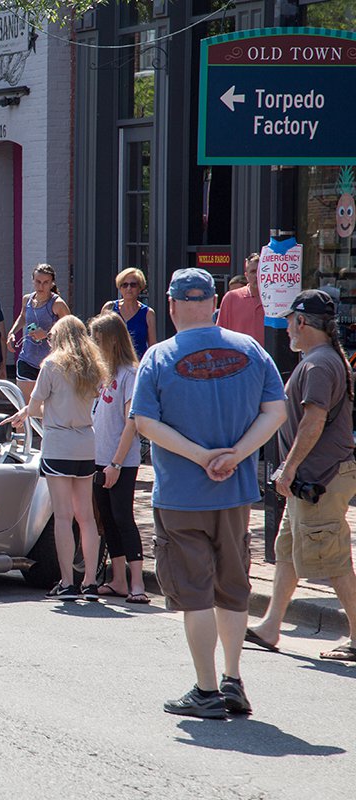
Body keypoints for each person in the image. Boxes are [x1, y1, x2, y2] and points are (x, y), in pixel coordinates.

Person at [132, 267, 285, 719]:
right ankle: (233, 680)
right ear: (215, 304)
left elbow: (144, 422)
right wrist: (234, 454)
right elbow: (274, 412)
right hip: (235, 493)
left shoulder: (158, 357)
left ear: (172, 306)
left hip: (182, 494)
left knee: (195, 592)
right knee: (233, 588)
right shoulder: (251, 350)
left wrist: (201, 457)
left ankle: (205, 690)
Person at [246, 290, 356, 662]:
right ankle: (271, 625)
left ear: (302, 321)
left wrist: (288, 468)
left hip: (319, 480)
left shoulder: (319, 365)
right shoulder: (321, 360)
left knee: (333, 558)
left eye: (290, 320)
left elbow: (313, 421)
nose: (287, 327)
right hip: (312, 481)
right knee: (288, 552)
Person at [4, 315, 106, 601]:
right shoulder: (92, 366)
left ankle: (67, 581)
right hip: (86, 440)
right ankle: (90, 580)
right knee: (86, 516)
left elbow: (35, 407)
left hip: (59, 442)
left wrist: (35, 410)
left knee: (63, 516)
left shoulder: (51, 364)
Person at [88, 313, 147, 603]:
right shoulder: (103, 373)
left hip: (120, 460)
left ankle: (138, 583)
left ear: (112, 340)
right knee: (108, 520)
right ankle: (119, 579)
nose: (93, 344)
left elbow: (131, 422)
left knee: (124, 517)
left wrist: (116, 463)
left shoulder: (129, 373)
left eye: (97, 339)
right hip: (98, 458)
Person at [6, 264, 70, 401]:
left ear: (52, 283)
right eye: (38, 282)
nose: (41, 286)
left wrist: (47, 334)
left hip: (50, 362)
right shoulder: (27, 299)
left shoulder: (57, 304)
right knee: (25, 406)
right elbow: (23, 317)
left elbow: (70, 330)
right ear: (33, 281)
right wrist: (12, 332)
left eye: (46, 282)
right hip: (27, 358)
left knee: (45, 407)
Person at [101, 267, 157, 359]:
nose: (129, 288)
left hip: (137, 365)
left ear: (140, 288)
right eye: (124, 285)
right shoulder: (109, 308)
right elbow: (101, 339)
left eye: (133, 285)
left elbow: (152, 346)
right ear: (120, 287)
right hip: (112, 365)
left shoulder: (148, 313)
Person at [216, 253, 264, 341]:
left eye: (261, 271)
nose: (257, 275)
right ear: (246, 275)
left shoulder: (275, 301)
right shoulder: (231, 298)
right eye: (253, 271)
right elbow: (220, 334)